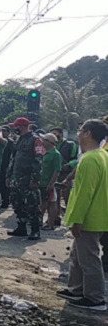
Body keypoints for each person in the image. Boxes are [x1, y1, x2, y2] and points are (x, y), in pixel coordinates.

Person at [57, 119, 108, 311]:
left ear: (88, 134)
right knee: (77, 255)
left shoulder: (89, 159)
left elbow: (84, 193)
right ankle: (76, 289)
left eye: (80, 130)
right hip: (99, 214)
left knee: (89, 258)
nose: (78, 133)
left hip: (89, 218)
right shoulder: (102, 155)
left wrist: (76, 220)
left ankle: (95, 298)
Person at [6, 117, 44, 240]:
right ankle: (21, 227)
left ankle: (35, 230)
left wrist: (34, 179)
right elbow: (13, 159)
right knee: (17, 203)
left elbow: (38, 160)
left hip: (28, 179)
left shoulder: (35, 140)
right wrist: (9, 175)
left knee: (32, 205)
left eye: (16, 127)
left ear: (22, 127)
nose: (14, 129)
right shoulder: (19, 140)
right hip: (16, 178)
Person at [39, 133, 62, 231]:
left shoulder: (56, 154)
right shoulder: (44, 152)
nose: (42, 141)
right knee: (42, 202)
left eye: (44, 140)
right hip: (41, 181)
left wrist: (51, 184)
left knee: (52, 203)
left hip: (48, 182)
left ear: (49, 142)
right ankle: (39, 221)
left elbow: (56, 171)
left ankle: (51, 223)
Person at [0, 125, 15, 209]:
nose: (2, 132)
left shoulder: (10, 142)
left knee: (5, 185)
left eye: (4, 131)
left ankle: (5, 201)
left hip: (7, 165)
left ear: (8, 132)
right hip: (0, 165)